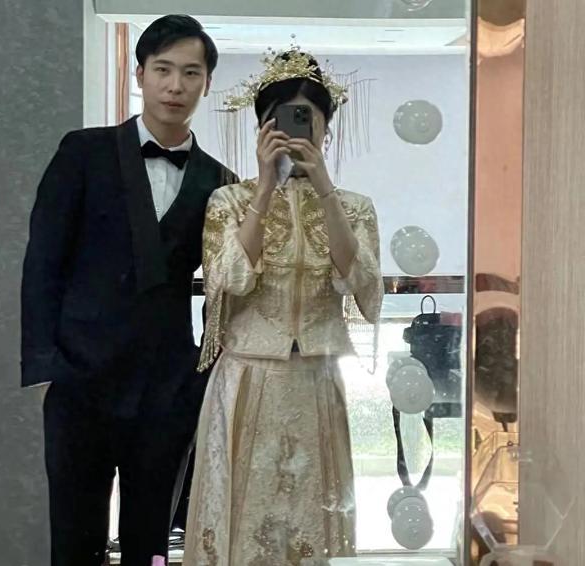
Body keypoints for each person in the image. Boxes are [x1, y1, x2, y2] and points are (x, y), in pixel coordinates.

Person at [20, 15, 236, 566]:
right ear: (140, 74)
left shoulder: (220, 182)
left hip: (166, 385)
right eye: (163, 69)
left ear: (207, 83)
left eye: (190, 73)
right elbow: (43, 262)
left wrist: (204, 376)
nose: (175, 85)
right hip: (80, 377)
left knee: (152, 544)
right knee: (75, 541)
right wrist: (45, 368)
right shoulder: (84, 153)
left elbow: (229, 284)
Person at [183, 48, 384, 564]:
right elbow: (228, 280)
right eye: (284, 119)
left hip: (317, 377)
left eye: (308, 120)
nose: (297, 131)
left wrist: (324, 189)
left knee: (312, 516)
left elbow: (362, 286)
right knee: (244, 514)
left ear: (326, 129)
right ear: (262, 127)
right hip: (247, 376)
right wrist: (265, 186)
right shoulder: (229, 201)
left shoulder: (355, 207)